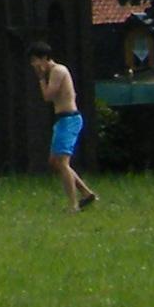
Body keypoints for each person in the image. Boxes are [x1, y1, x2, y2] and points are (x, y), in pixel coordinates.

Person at [29, 49, 97, 211]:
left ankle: (73, 205)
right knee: (54, 161)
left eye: (35, 60)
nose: (33, 65)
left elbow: (48, 95)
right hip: (62, 120)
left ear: (44, 58)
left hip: (69, 119)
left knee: (62, 162)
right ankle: (86, 193)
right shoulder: (53, 72)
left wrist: (40, 79)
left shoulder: (58, 70)